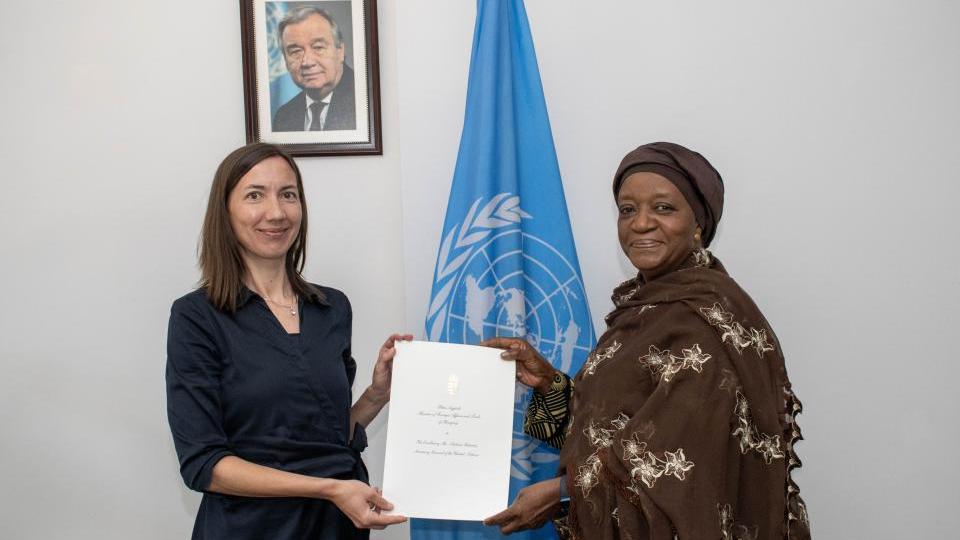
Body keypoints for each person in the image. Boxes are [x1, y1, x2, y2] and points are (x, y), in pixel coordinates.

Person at [483, 142, 810, 539]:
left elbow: (675, 467)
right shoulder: (648, 308)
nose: (640, 224)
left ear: (698, 224)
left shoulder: (703, 323)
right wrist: (549, 384)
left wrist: (564, 493)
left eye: (663, 208)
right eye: (627, 209)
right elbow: (616, 430)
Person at [166, 142, 408, 539]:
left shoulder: (332, 308)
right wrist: (329, 489)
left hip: (334, 527)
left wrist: (377, 395)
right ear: (225, 212)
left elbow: (322, 435)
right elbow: (204, 464)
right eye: (254, 195)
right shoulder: (197, 317)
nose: (276, 212)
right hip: (250, 529)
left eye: (288, 195)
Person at [272, 6, 356, 132]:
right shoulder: (283, 116)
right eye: (296, 51)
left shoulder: (365, 101)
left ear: (340, 51)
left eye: (318, 47)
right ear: (285, 60)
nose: (307, 62)